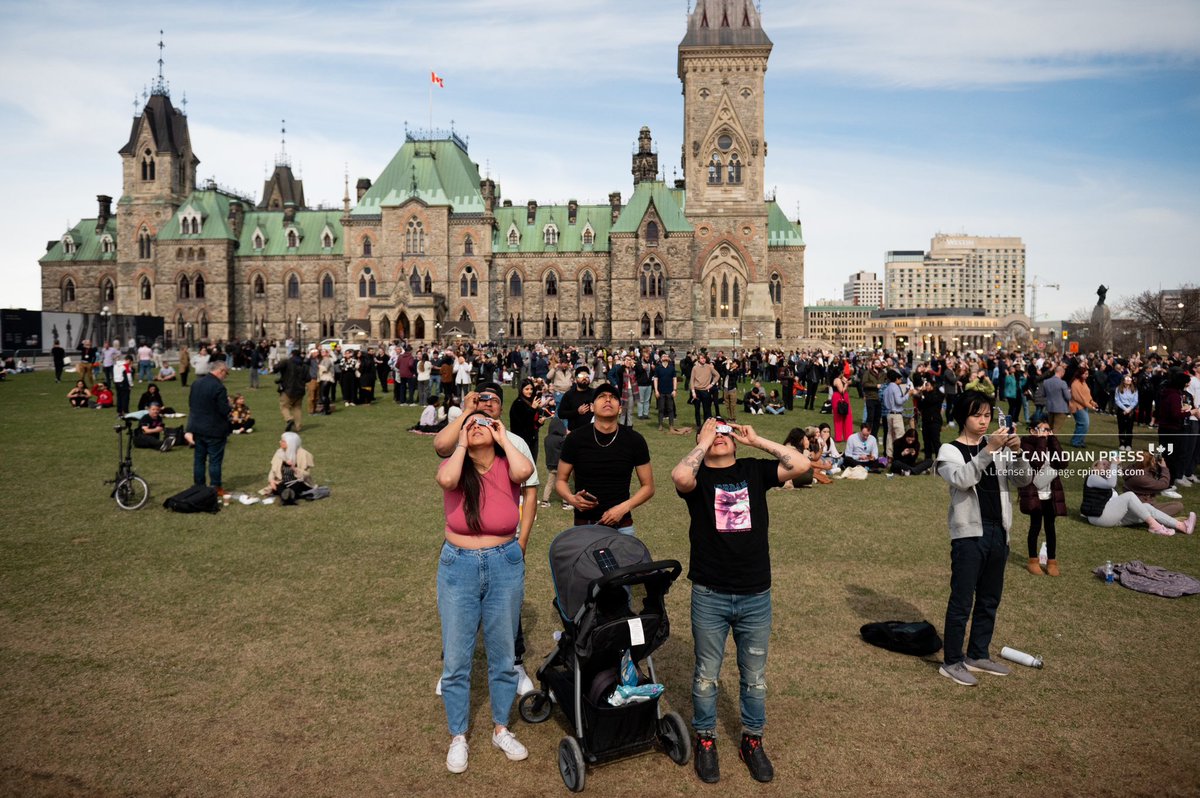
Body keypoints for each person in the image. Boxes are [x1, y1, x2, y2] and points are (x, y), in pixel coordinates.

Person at [671, 418, 810, 784]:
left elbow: (802, 465)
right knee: (706, 676)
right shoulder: (697, 477)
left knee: (755, 679)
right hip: (710, 594)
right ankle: (705, 740)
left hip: (755, 594)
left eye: (724, 431)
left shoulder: (754, 470)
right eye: (712, 431)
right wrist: (701, 444)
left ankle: (752, 739)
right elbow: (680, 478)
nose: (719, 437)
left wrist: (757, 440)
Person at [436, 411, 533, 774]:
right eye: (470, 423)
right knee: (457, 658)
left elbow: (524, 474)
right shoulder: (457, 465)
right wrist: (462, 439)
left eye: (483, 423)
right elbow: (445, 479)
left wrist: (503, 436)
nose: (477, 426)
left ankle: (500, 728)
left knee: (503, 653)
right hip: (458, 563)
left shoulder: (510, 463)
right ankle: (459, 735)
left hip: (503, 562)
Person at [434, 383, 540, 695]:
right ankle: (451, 666)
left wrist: (523, 539)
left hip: (504, 542)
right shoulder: (462, 435)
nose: (486, 404)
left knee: (508, 612)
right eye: (481, 399)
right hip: (461, 544)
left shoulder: (513, 441)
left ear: (502, 407)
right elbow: (440, 447)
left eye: (493, 400)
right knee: (456, 611)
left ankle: (514, 663)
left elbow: (529, 491)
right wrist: (466, 413)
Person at [935, 389, 1034, 687]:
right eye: (976, 415)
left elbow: (1023, 480)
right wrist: (988, 450)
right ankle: (952, 661)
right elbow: (963, 479)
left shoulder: (998, 448)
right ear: (962, 417)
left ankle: (978, 654)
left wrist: (1016, 453)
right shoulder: (949, 450)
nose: (983, 421)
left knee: (990, 599)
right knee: (962, 600)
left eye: (987, 415)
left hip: (998, 531)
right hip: (968, 535)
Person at [556, 382, 654, 534]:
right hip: (584, 526)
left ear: (620, 409)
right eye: (601, 397)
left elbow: (648, 487)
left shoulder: (635, 440)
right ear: (592, 407)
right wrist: (571, 499)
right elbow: (561, 480)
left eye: (613, 397)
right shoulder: (575, 438)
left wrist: (623, 508)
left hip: (622, 527)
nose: (608, 400)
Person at [1081, 456, 1195, 536]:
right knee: (1129, 495)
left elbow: (1112, 486)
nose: (1108, 466)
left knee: (1147, 507)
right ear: (1095, 467)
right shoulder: (1092, 476)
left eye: (1109, 464)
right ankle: (1155, 526)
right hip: (1099, 517)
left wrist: (1115, 467)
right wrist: (1114, 465)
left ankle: (1182, 526)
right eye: (1103, 464)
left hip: (1110, 518)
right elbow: (1111, 483)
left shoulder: (1106, 482)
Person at [1017, 420, 1066, 576]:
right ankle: (1033, 561)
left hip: (1050, 493)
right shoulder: (1025, 444)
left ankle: (1052, 562)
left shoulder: (1050, 442)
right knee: (1035, 526)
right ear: (1033, 431)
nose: (1046, 432)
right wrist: (1041, 441)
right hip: (1034, 493)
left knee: (1050, 528)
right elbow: (1036, 462)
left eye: (1048, 429)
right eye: (1043, 429)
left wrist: (1053, 441)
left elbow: (1063, 462)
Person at [187, 359, 232, 493]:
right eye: (226, 373)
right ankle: (215, 487)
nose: (225, 377)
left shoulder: (196, 383)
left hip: (197, 427)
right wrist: (229, 404)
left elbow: (191, 404)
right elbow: (224, 410)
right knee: (214, 460)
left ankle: (199, 485)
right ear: (221, 371)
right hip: (214, 428)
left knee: (199, 460)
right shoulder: (219, 387)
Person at [508, 378, 546, 462]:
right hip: (522, 440)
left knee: (532, 464)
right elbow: (522, 423)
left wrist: (539, 422)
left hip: (533, 438)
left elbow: (532, 422)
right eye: (527, 389)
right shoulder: (518, 404)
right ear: (521, 390)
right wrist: (532, 409)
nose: (530, 391)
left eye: (531, 389)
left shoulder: (530, 402)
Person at [274, 348, 307, 432]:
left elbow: (276, 368)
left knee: (284, 406)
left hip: (288, 389)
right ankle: (298, 426)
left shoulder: (287, 362)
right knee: (297, 408)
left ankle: (289, 419)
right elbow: (308, 378)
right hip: (300, 389)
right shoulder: (304, 364)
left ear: (292, 354)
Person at [1068, 366, 1099, 448]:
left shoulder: (1084, 382)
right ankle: (1076, 441)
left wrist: (1092, 402)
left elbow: (1087, 395)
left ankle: (1079, 440)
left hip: (1083, 406)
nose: (1087, 375)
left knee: (1084, 424)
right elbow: (1079, 398)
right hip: (1077, 407)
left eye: (1087, 374)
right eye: (1085, 374)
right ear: (1080, 374)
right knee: (1084, 423)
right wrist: (1090, 406)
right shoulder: (1075, 384)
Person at [557, 365, 595, 432]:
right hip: (575, 432)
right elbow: (561, 414)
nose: (584, 378)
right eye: (581, 376)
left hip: (592, 431)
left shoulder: (594, 393)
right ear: (576, 379)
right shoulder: (569, 395)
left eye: (587, 377)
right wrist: (577, 412)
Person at [540, 415, 567, 508]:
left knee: (549, 483)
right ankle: (565, 503)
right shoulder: (561, 440)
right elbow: (565, 452)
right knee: (563, 483)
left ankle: (544, 501)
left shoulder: (546, 439)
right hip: (560, 465)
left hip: (550, 465)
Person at [690, 353, 719, 428]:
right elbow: (692, 380)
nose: (703, 359)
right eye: (701, 358)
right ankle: (698, 425)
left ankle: (707, 425)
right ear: (698, 359)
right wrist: (693, 392)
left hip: (706, 391)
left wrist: (711, 384)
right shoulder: (695, 368)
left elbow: (717, 375)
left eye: (704, 358)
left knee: (707, 409)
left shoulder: (709, 367)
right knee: (697, 409)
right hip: (697, 390)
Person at [1042, 364, 1071, 436]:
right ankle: (1051, 444)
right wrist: (1069, 392)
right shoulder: (1062, 383)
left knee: (1050, 428)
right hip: (1061, 408)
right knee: (1056, 429)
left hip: (1050, 407)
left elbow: (1043, 394)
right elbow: (1068, 397)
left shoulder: (1046, 382)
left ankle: (1045, 443)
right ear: (1061, 372)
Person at [653, 351, 678, 431]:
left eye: (666, 356)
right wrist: (656, 390)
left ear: (668, 358)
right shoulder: (658, 368)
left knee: (670, 409)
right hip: (661, 392)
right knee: (661, 409)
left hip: (670, 392)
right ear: (661, 359)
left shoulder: (672, 368)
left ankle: (671, 425)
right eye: (663, 356)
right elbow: (655, 380)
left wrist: (674, 390)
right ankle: (660, 425)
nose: (665, 357)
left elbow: (674, 379)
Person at [1114, 375, 1138, 452]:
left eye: (1129, 379)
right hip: (1121, 409)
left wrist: (1129, 409)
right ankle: (1121, 444)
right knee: (1121, 428)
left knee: (1129, 428)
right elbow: (1117, 400)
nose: (1128, 380)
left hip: (1130, 409)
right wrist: (1124, 409)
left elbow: (1135, 401)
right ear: (1123, 380)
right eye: (1126, 379)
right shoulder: (1118, 389)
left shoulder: (1134, 390)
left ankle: (1128, 444)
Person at [831, 370, 854, 444]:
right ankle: (838, 437)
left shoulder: (843, 379)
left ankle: (848, 436)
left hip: (845, 397)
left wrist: (847, 382)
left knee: (848, 417)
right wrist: (847, 384)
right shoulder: (837, 380)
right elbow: (841, 390)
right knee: (839, 417)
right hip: (838, 397)